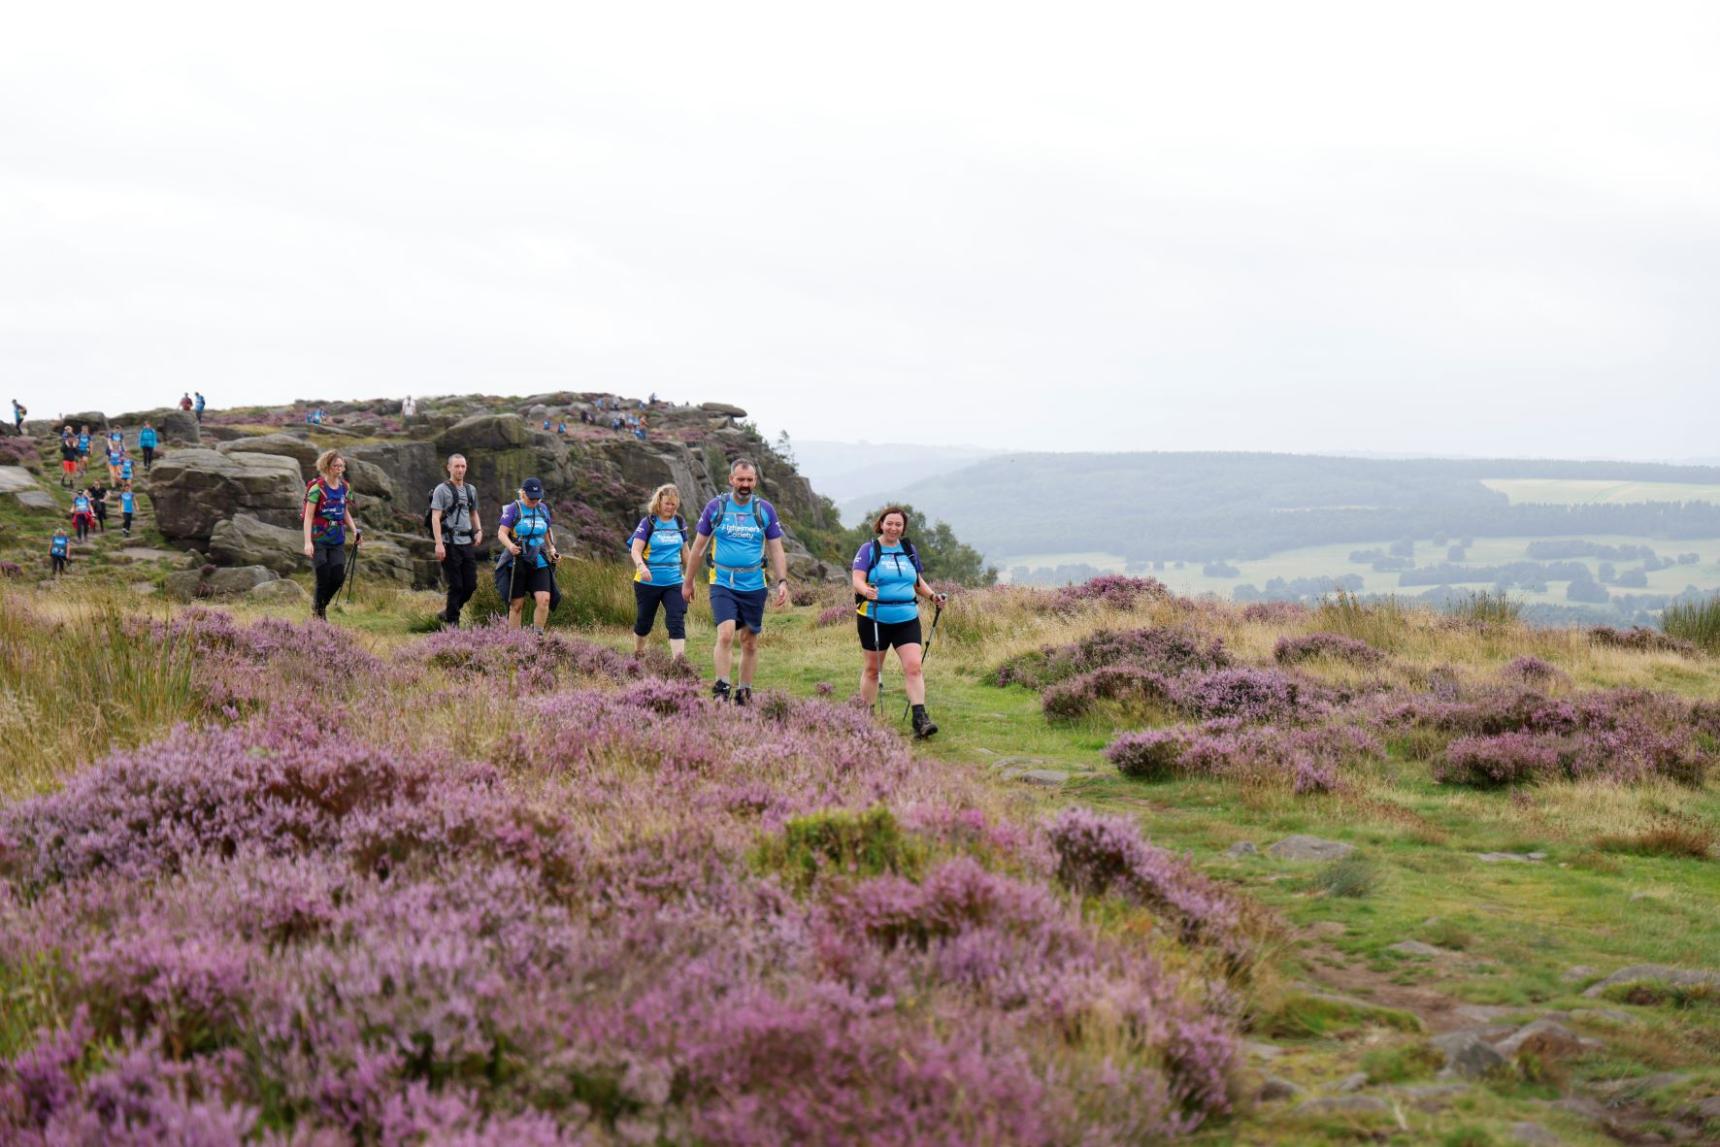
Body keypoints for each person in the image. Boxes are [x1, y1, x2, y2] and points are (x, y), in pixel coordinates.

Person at [684, 459, 788, 705]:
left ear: (755, 481)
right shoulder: (716, 508)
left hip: (754, 584)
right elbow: (699, 547)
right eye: (740, 479)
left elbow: (776, 549)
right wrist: (687, 582)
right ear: (731, 479)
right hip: (722, 581)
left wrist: (782, 581)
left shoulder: (764, 510)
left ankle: (744, 692)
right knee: (726, 635)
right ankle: (722, 687)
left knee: (749, 642)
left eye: (749, 480)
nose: (745, 484)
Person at [852, 507, 948, 738]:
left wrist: (933, 596)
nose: (894, 528)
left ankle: (920, 719)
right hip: (874, 617)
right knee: (873, 670)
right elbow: (857, 578)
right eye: (889, 523)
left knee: (914, 667)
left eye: (898, 524)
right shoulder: (869, 550)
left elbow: (916, 581)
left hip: (907, 618)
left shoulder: (908, 549)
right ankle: (866, 717)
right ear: (881, 524)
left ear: (903, 528)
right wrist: (866, 590)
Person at [628, 484, 691, 661]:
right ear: (659, 502)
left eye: (673, 504)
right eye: (667, 504)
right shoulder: (648, 522)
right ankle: (639, 653)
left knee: (676, 620)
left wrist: (690, 579)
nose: (670, 508)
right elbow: (635, 550)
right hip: (647, 581)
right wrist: (642, 567)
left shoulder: (679, 522)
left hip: (674, 581)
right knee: (644, 621)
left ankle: (679, 662)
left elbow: (686, 552)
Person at [302, 449, 361, 620]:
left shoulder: (344, 488)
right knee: (323, 575)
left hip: (337, 539)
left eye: (342, 466)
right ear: (327, 467)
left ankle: (319, 606)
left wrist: (355, 529)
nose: (340, 469)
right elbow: (309, 517)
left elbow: (345, 512)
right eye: (336, 466)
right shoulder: (316, 489)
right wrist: (308, 542)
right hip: (318, 538)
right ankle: (320, 615)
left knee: (337, 577)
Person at [497, 477, 558, 632]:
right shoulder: (513, 509)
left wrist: (552, 549)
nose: (534, 501)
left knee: (544, 600)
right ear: (523, 494)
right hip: (518, 560)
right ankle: (515, 641)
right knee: (517, 605)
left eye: (538, 498)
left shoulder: (543, 509)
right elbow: (501, 533)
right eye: (531, 498)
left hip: (539, 559)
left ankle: (537, 638)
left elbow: (547, 531)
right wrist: (510, 546)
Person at [430, 453, 483, 628]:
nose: (460, 469)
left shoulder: (471, 490)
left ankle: (448, 612)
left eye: (463, 466)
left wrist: (479, 531)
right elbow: (435, 517)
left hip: (466, 542)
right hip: (448, 543)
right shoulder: (441, 490)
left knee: (471, 585)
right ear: (449, 468)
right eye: (457, 466)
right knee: (457, 585)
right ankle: (453, 625)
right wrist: (438, 544)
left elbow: (473, 513)